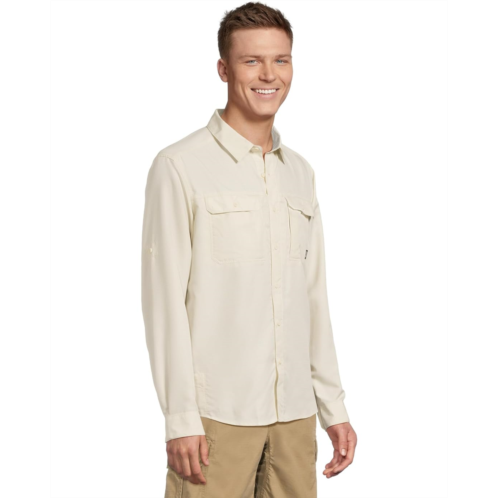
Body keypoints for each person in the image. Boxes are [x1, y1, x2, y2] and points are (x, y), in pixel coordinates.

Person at [141, 2, 358, 496]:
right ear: (224, 69)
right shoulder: (179, 166)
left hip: (294, 416)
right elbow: (163, 302)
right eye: (251, 61)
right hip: (216, 418)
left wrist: (333, 407)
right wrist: (181, 417)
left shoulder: (299, 172)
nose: (268, 75)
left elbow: (313, 298)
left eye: (281, 60)